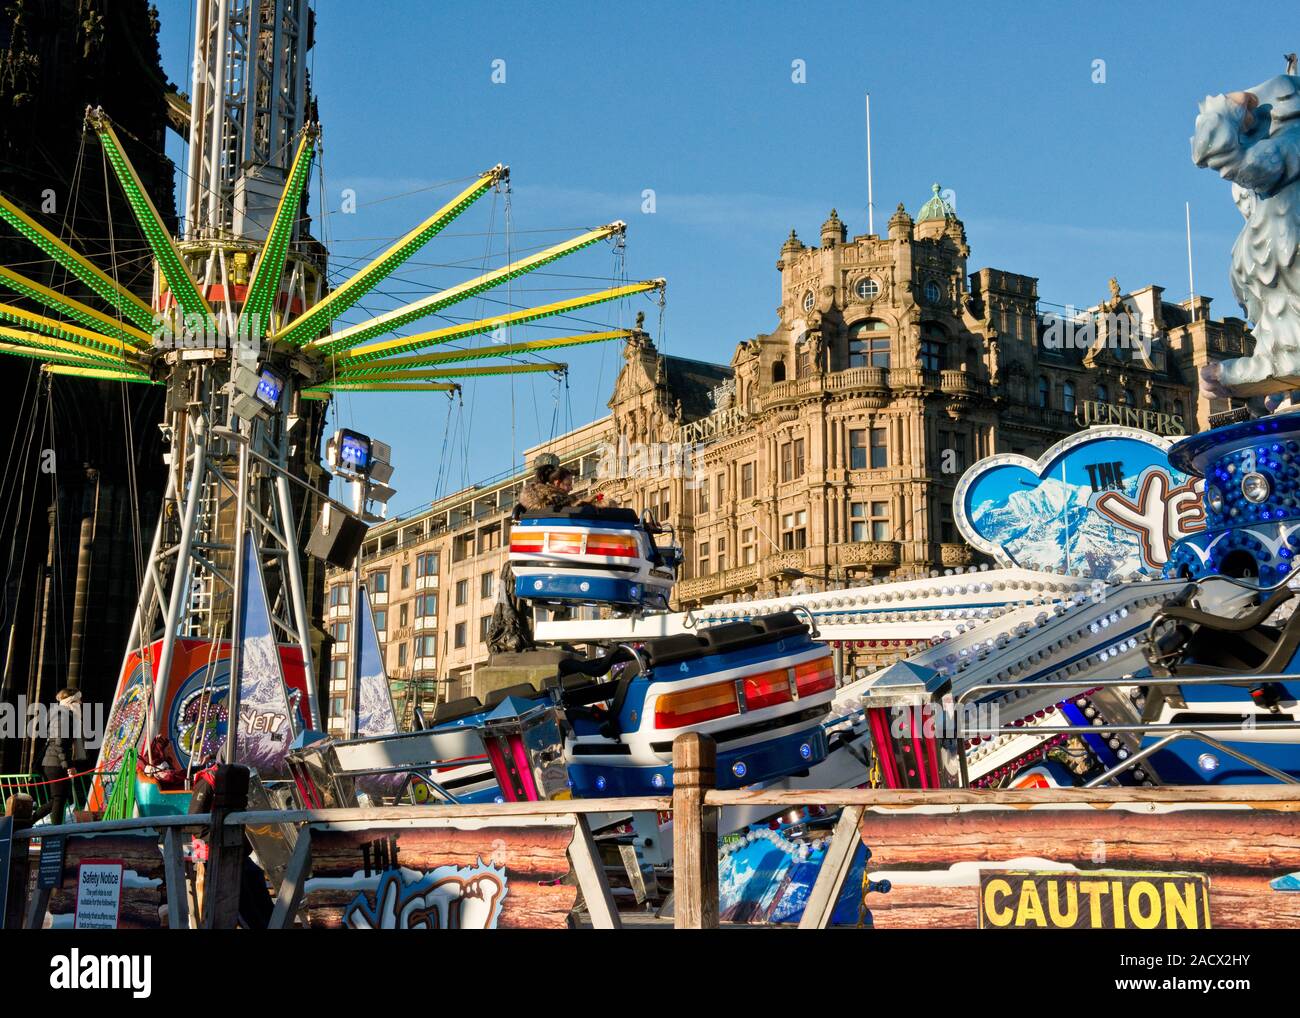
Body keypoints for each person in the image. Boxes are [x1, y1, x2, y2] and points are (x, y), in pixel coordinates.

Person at [31, 687, 89, 824]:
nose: (80, 703)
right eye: (78, 700)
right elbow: (59, 744)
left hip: (54, 762)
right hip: (55, 763)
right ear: (71, 701)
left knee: (58, 798)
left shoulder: (63, 714)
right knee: (59, 798)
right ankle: (54, 831)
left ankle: (30, 823)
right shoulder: (62, 715)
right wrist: (68, 766)